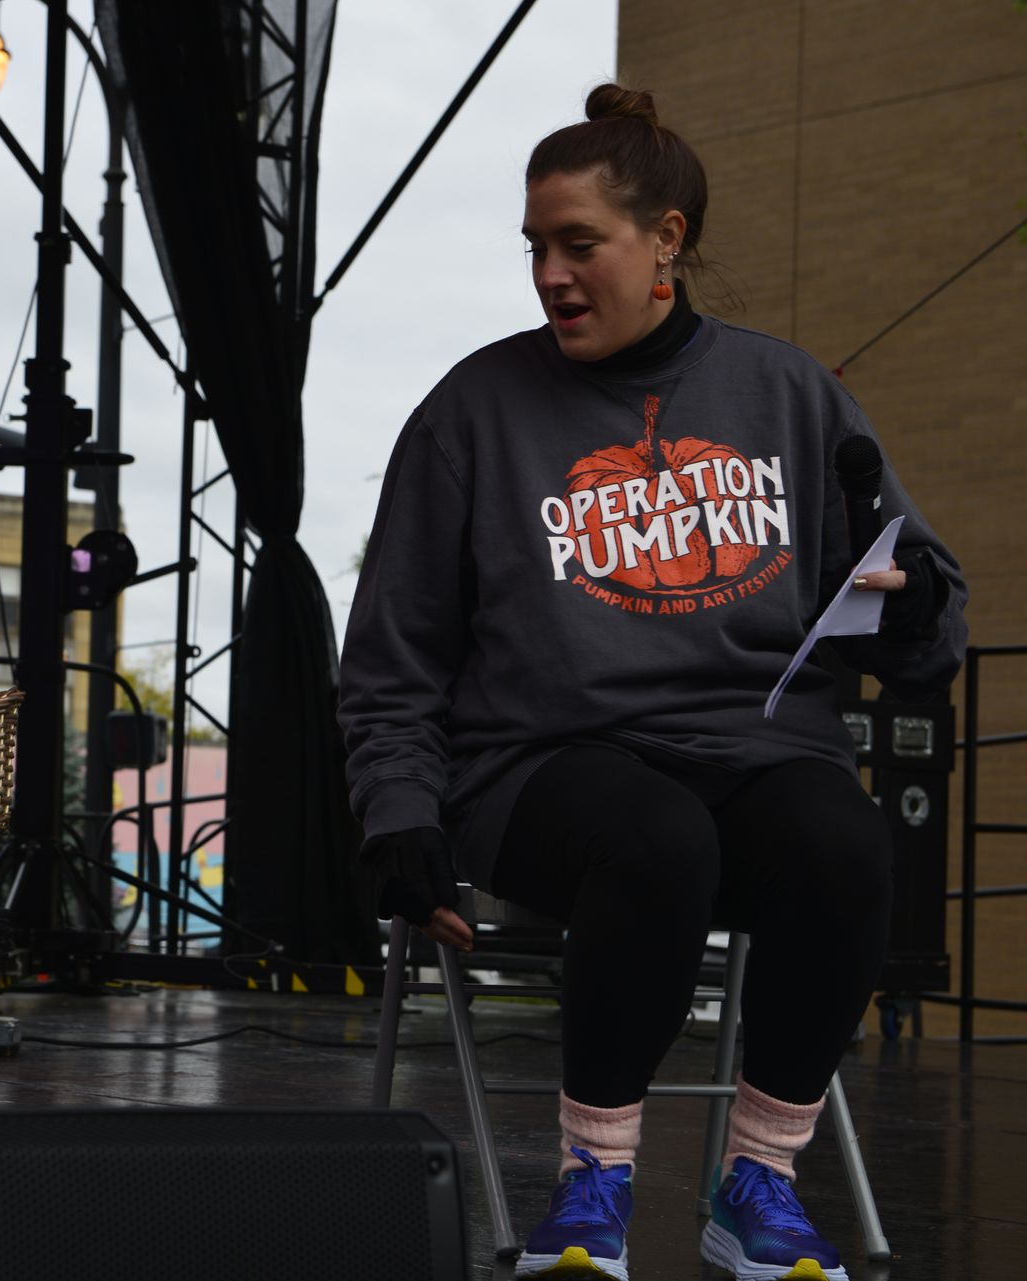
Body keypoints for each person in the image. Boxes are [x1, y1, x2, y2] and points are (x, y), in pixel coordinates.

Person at [339, 85, 965, 1281]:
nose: (551, 275)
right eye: (536, 248)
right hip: (540, 768)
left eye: (581, 245)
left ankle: (759, 1188)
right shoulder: (474, 412)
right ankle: (594, 1185)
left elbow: (919, 622)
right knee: (656, 836)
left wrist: (919, 609)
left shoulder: (789, 395)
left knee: (844, 844)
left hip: (759, 746)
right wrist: (398, 811)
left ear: (666, 239)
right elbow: (393, 654)